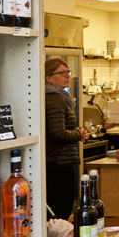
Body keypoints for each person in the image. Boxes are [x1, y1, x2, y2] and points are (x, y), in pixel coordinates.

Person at [44, 58, 87, 220]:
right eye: (62, 73)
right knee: (61, 211)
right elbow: (58, 133)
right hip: (59, 163)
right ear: (48, 77)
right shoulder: (55, 98)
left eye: (68, 72)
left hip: (55, 161)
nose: (67, 76)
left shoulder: (55, 96)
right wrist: (78, 134)